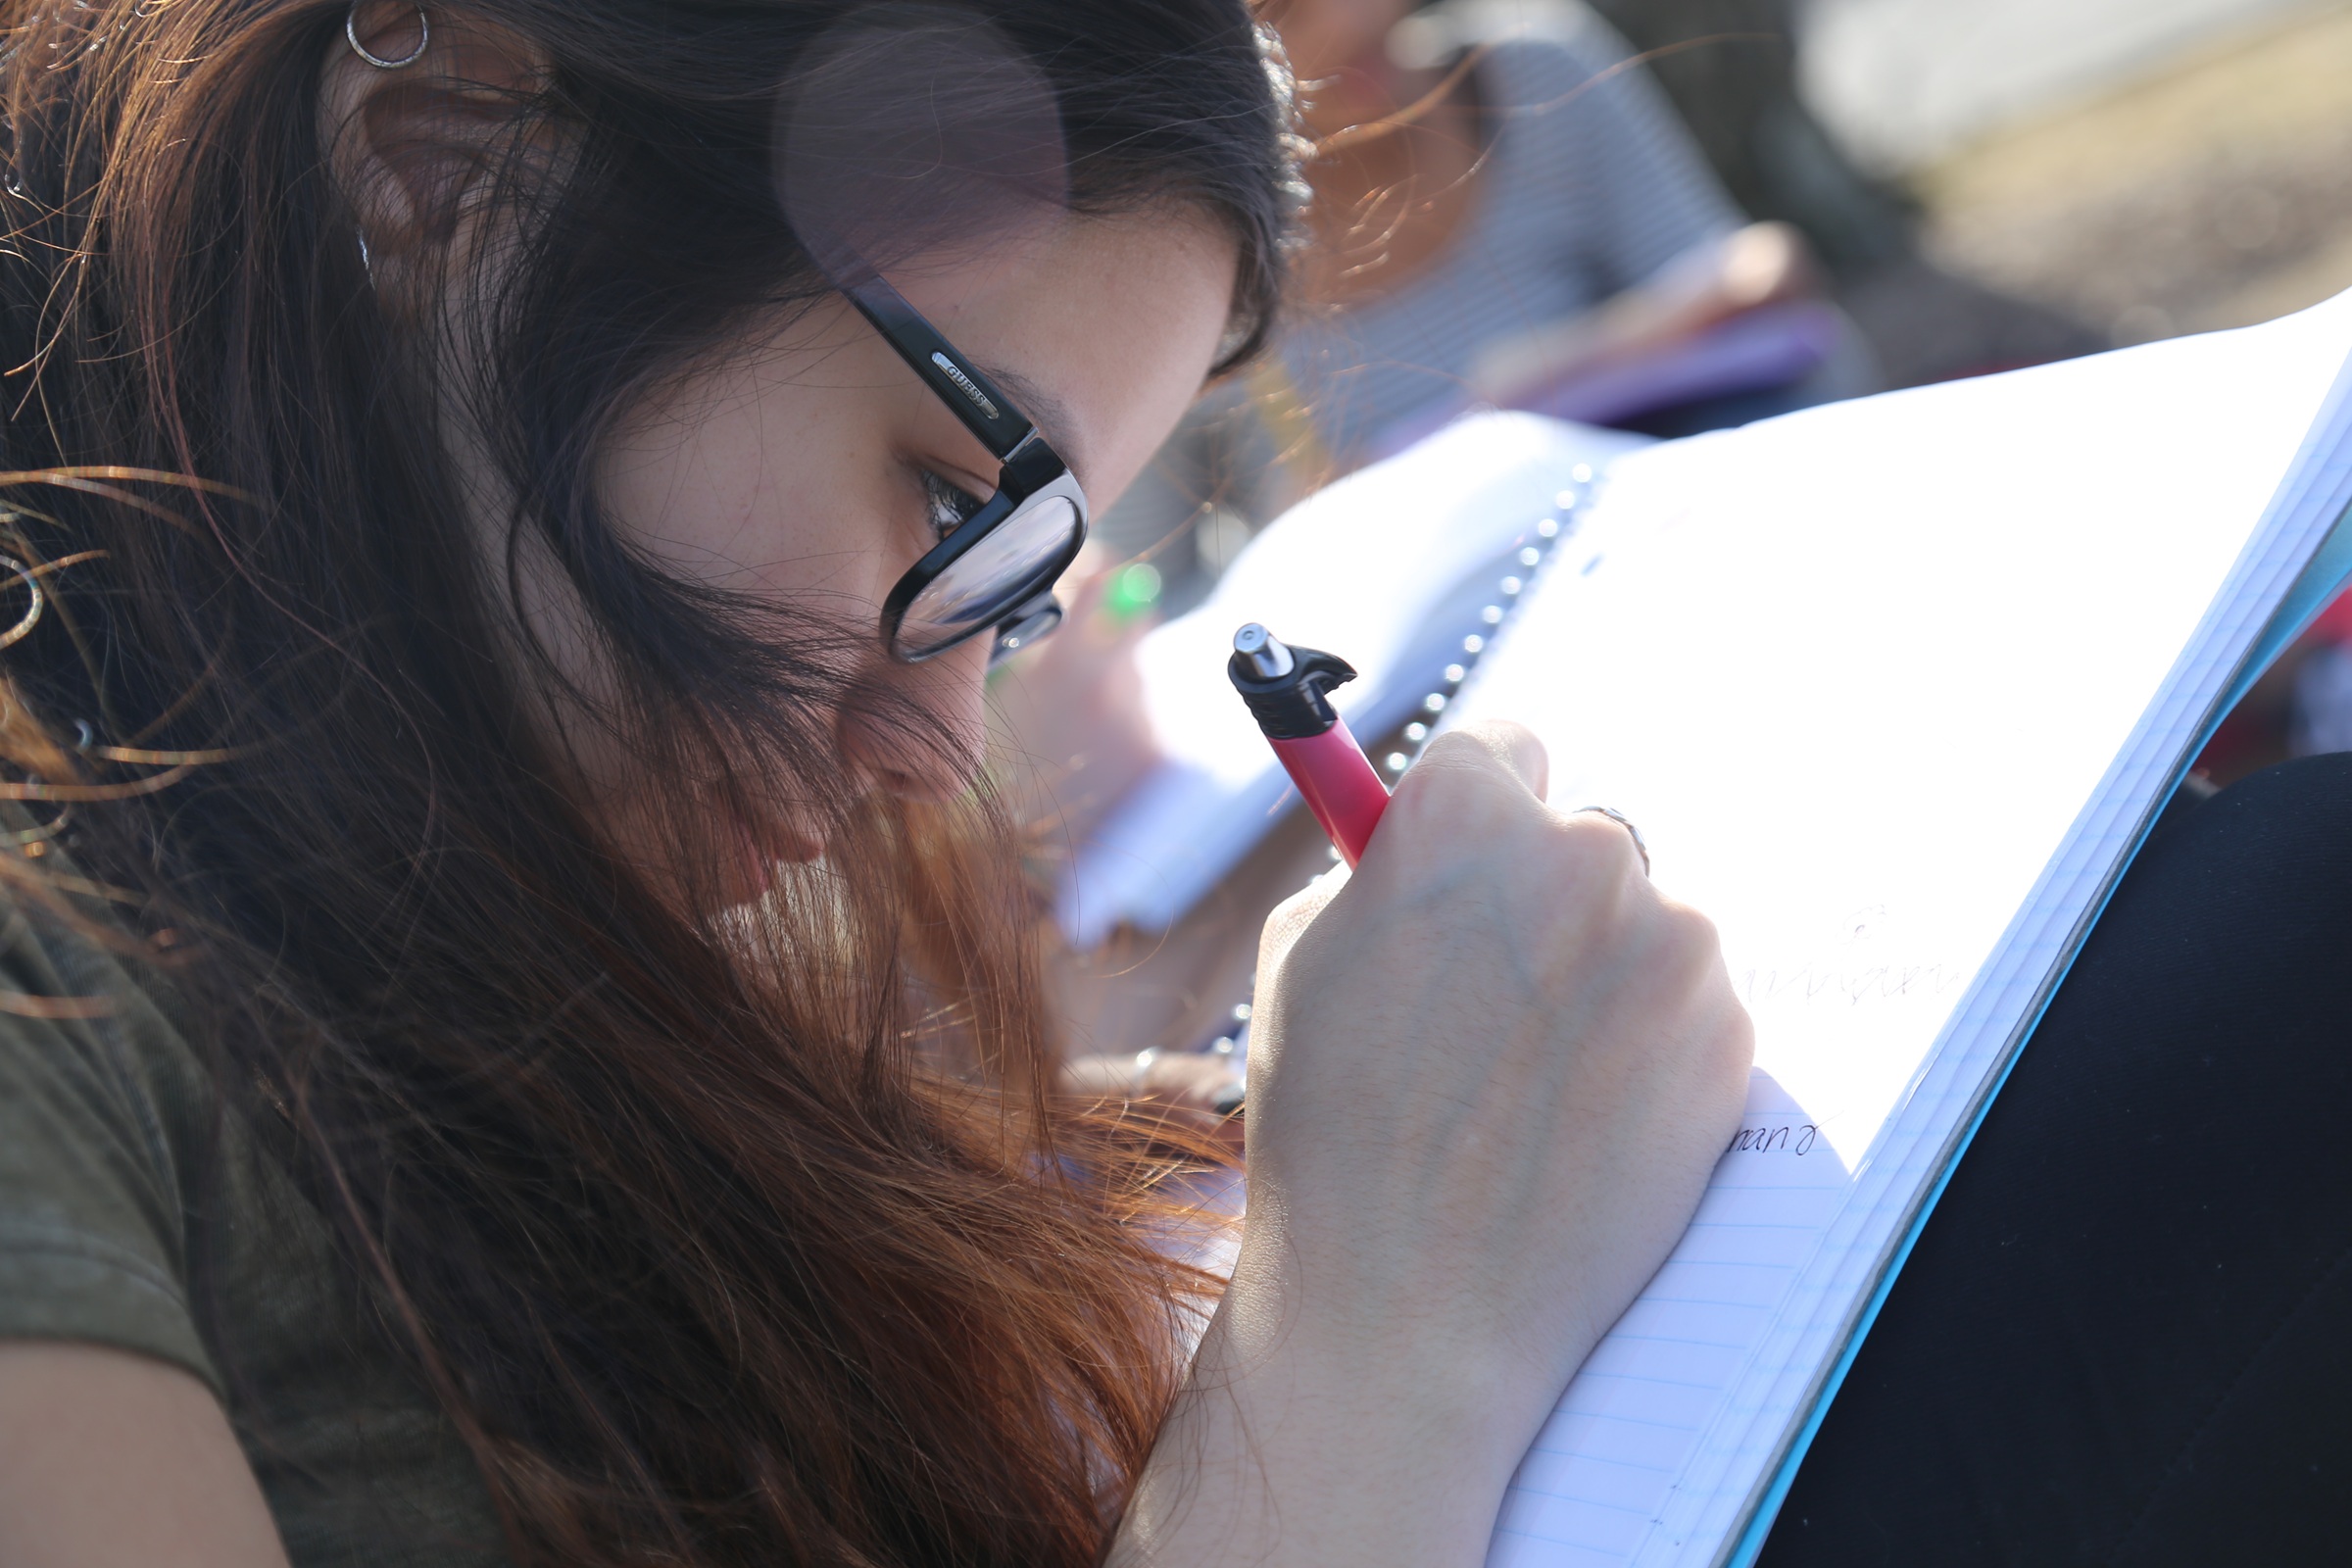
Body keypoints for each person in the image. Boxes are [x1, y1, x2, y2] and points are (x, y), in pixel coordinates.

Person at [0, 5, 1752, 1568]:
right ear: (444, 160)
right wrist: (1380, 1332)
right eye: (947, 503)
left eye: (1025, 598)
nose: (930, 754)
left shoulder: (416, 913)